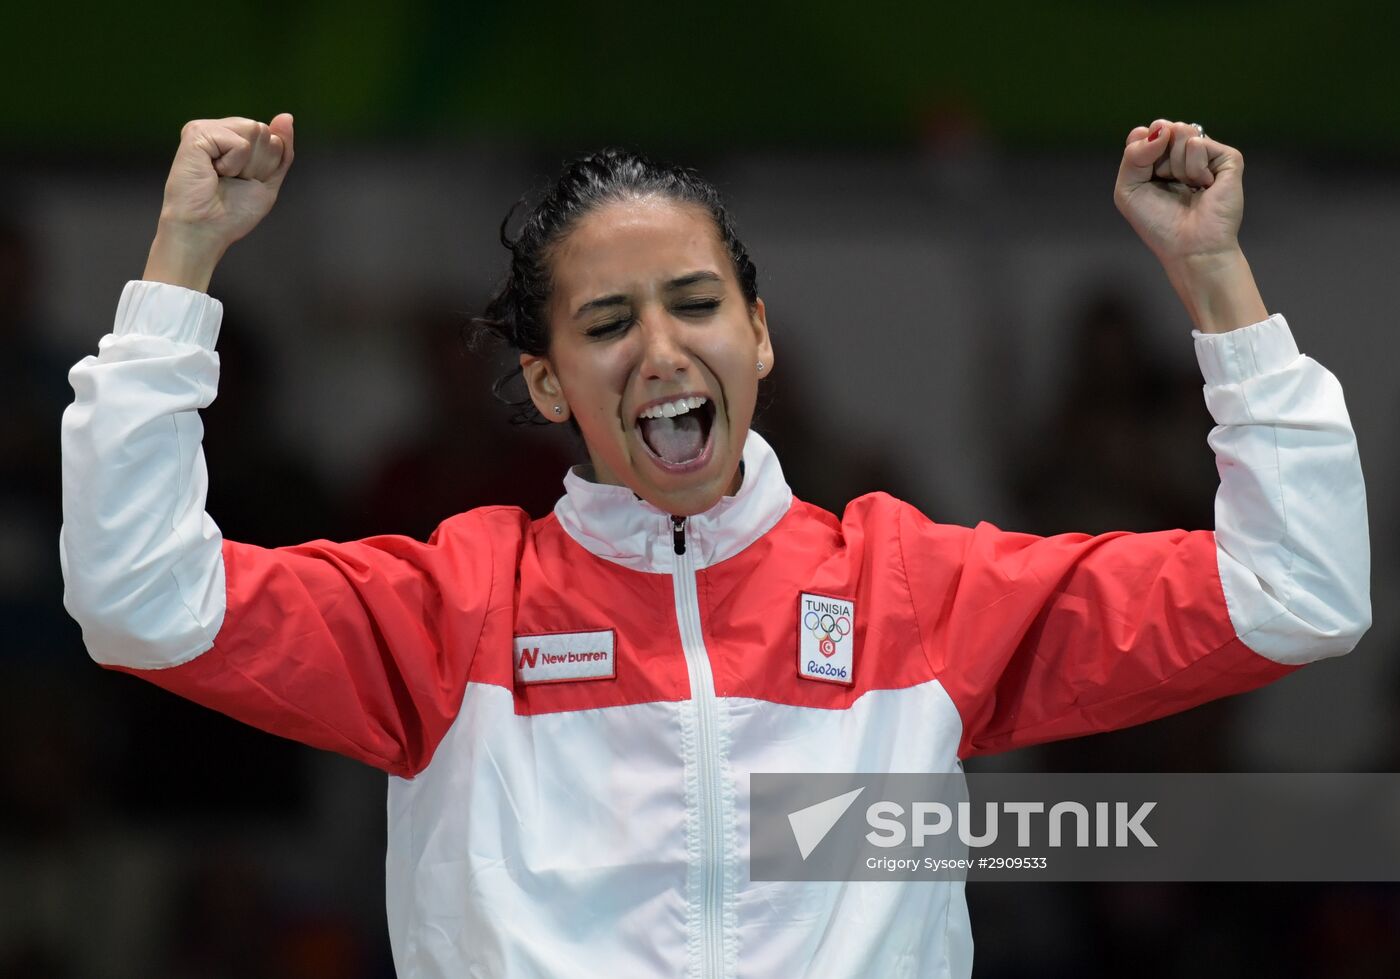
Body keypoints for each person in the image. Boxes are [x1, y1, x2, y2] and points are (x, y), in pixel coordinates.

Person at [60, 114, 1370, 978]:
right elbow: (136, 600)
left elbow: (1296, 590)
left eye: (696, 305)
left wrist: (1216, 282)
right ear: (552, 382)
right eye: (608, 322)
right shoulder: (452, 606)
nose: (663, 348)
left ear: (759, 334)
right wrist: (181, 265)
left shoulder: (914, 590)